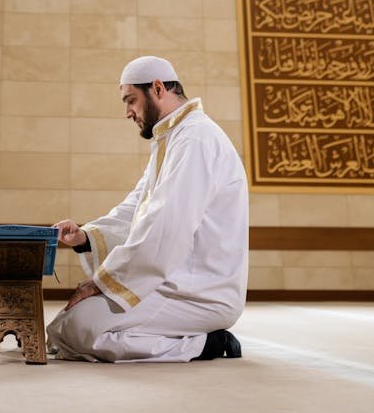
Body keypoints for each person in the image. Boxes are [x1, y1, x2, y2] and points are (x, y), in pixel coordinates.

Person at [47, 55, 248, 362]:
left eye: (131, 100)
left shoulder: (195, 139)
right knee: (62, 327)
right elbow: (137, 209)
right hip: (175, 284)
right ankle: (195, 340)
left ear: (157, 89)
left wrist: (102, 283)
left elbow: (165, 225)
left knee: (79, 329)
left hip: (201, 292)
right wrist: (85, 237)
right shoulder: (173, 137)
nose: (127, 112)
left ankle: (205, 344)